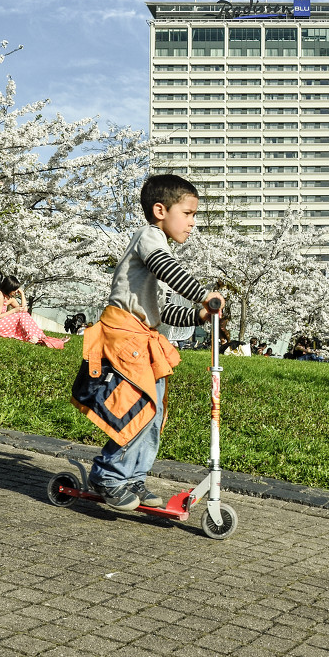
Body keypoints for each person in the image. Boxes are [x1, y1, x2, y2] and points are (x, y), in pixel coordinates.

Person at [72, 174, 224, 512]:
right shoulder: (149, 238)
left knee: (154, 414)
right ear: (160, 210)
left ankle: (133, 475)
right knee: (139, 410)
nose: (193, 223)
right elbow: (165, 266)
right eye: (188, 213)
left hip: (144, 337)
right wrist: (203, 295)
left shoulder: (159, 249)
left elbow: (165, 310)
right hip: (125, 335)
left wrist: (198, 317)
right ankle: (108, 475)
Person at [0, 276, 66, 348]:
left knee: (23, 314)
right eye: (14, 290)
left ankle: (42, 338)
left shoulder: (8, 298)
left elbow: (24, 310)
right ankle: (34, 338)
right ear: (9, 288)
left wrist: (22, 294)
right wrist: (14, 310)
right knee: (19, 315)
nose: (15, 292)